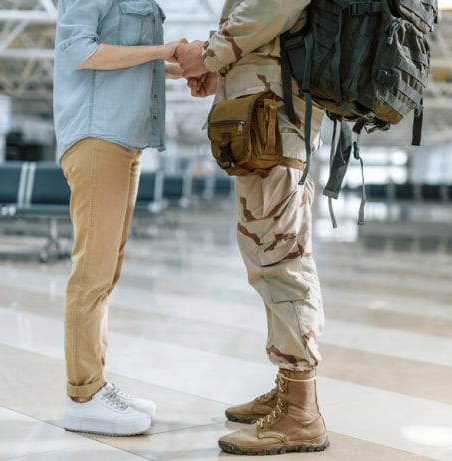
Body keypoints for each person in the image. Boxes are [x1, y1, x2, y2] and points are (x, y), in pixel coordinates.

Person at [177, 0, 329, 455]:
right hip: (262, 117)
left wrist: (207, 54)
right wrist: (220, 68)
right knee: (267, 258)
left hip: (275, 122)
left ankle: (301, 412)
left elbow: (272, 6)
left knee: (282, 259)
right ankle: (288, 386)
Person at [53, 0, 184, 436]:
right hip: (97, 135)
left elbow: (121, 55)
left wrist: (173, 68)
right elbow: (80, 51)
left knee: (106, 273)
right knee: (91, 274)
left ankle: (96, 384)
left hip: (123, 138)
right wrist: (159, 52)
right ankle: (83, 396)